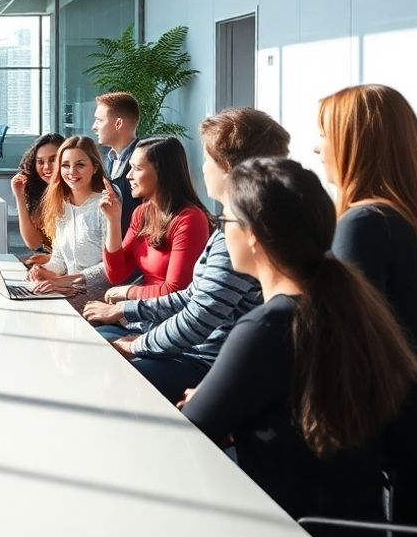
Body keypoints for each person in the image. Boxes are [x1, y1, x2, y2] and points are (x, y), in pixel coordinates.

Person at [182, 158, 417, 537]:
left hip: (286, 529)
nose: (220, 234)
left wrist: (213, 406)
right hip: (348, 527)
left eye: (224, 222)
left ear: (253, 235)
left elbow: (189, 433)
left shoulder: (268, 327)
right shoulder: (348, 306)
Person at [84, 108, 290, 402]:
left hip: (204, 360)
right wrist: (126, 311)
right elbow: (193, 296)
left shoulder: (238, 234)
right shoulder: (228, 228)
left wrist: (139, 343)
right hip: (193, 350)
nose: (203, 169)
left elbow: (199, 316)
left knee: (108, 374)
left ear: (229, 168)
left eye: (207, 160)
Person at [317, 84, 417, 366]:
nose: (316, 147)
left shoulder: (364, 223)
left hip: (380, 403)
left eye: (324, 135)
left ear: (353, 143)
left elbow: (344, 341)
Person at [99, 136, 211, 307]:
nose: (129, 175)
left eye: (137, 168)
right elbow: (116, 275)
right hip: (142, 312)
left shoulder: (190, 219)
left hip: (168, 320)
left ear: (162, 172)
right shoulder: (141, 213)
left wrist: (128, 292)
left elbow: (176, 291)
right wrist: (113, 221)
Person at [27, 136, 109, 309]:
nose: (72, 172)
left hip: (97, 296)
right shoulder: (61, 205)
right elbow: (59, 260)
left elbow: (109, 267)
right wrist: (43, 271)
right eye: (65, 165)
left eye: (80, 165)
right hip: (67, 289)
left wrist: (64, 281)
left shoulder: (104, 206)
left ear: (94, 168)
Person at [92, 91, 142, 236]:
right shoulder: (101, 160)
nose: (94, 127)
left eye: (99, 120)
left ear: (118, 123)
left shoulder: (147, 160)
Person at [10, 132, 65, 253]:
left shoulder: (77, 194)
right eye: (40, 162)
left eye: (53, 160)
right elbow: (33, 243)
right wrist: (20, 196)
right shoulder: (41, 193)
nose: (46, 167)